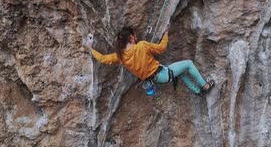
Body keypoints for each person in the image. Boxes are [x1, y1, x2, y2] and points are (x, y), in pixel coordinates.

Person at [86, 26, 215, 95]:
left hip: (155, 78)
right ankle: (205, 86)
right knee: (188, 64)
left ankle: (197, 91)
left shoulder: (120, 56)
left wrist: (90, 49)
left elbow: (103, 59)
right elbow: (161, 48)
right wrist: (166, 34)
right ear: (131, 37)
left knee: (180, 71)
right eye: (134, 35)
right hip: (162, 74)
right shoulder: (141, 46)